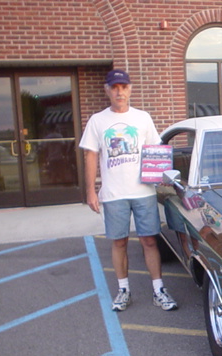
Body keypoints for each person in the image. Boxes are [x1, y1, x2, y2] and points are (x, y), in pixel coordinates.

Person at [80, 69, 177, 312]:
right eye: (114, 87)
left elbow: (155, 149)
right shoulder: (97, 121)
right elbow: (90, 155)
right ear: (107, 90)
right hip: (114, 194)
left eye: (123, 87)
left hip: (143, 191)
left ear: (130, 89)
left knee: (149, 241)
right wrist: (91, 191)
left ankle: (158, 290)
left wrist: (162, 176)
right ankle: (123, 290)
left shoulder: (143, 118)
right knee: (119, 243)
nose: (119, 92)